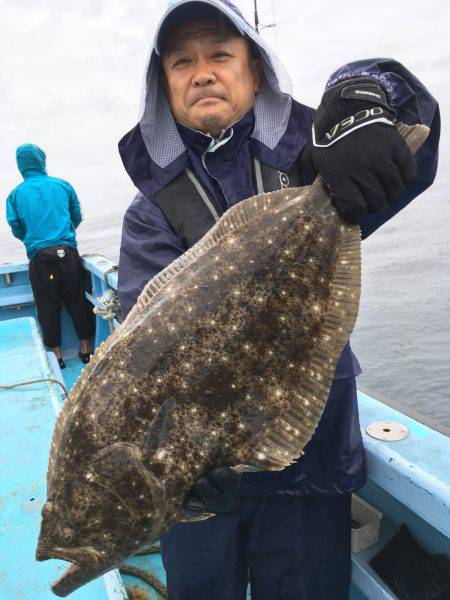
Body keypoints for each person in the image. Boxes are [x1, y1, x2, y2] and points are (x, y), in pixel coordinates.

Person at [117, 1, 440, 598]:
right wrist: (172, 467)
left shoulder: (313, 162)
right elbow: (140, 347)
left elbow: (409, 149)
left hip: (309, 462)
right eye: (182, 61)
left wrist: (362, 96)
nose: (202, 71)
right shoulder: (151, 214)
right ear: (163, 86)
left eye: (220, 54)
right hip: (200, 469)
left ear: (255, 70)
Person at [6, 144, 94, 369]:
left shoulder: (15, 194)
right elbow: (76, 215)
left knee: (47, 307)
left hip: (40, 259)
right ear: (41, 160)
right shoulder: (62, 185)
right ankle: (86, 350)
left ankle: (58, 357)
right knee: (77, 301)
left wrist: (33, 242)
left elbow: (15, 226)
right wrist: (64, 236)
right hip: (68, 254)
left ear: (21, 165)